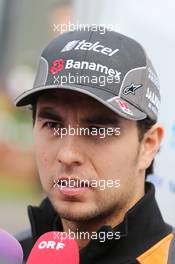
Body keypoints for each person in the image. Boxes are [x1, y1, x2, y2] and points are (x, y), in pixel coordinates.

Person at [15, 28, 175, 263]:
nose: (68, 155)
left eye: (98, 130)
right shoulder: (15, 254)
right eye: (52, 125)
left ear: (148, 146)